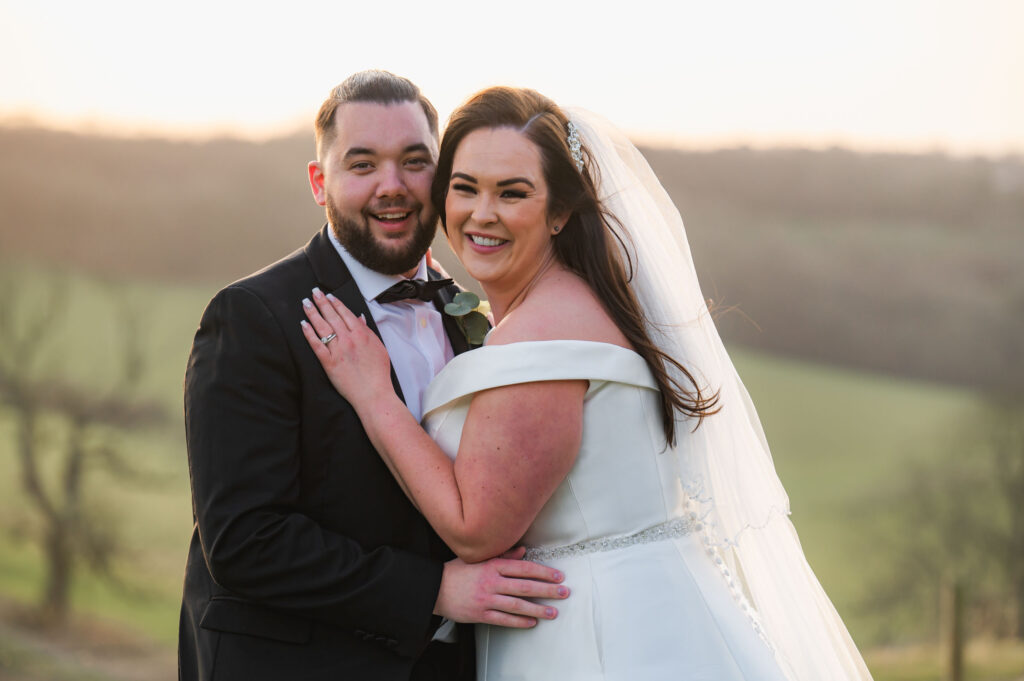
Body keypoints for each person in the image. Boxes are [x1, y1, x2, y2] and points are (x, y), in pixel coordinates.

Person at [302, 86, 875, 680]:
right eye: (465, 187)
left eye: (513, 192)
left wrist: (374, 395)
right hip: (650, 617)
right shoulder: (585, 301)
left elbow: (476, 530)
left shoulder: (545, 337)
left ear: (559, 212)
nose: (482, 213)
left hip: (600, 641)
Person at [178, 72, 568, 681]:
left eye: (415, 162)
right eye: (362, 165)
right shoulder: (254, 316)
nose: (393, 187)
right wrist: (433, 591)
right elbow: (245, 542)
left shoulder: (472, 315)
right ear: (319, 182)